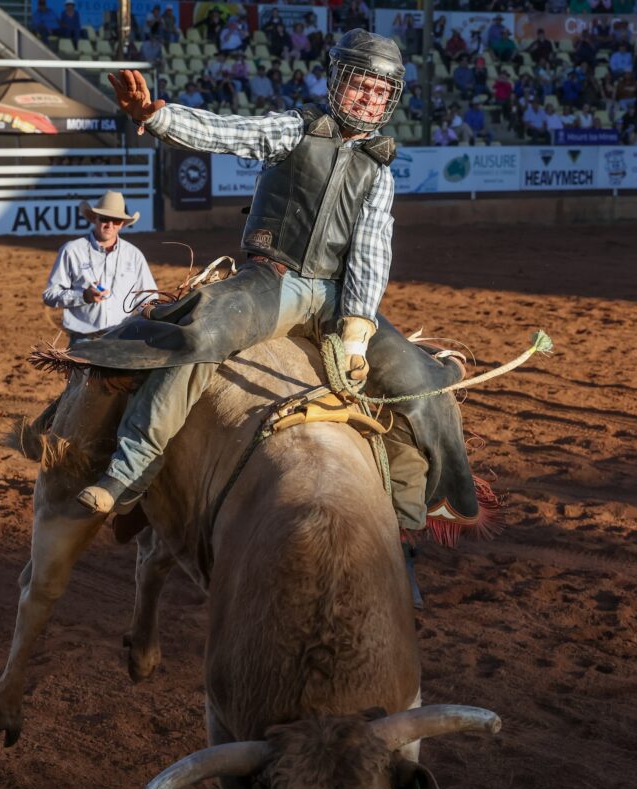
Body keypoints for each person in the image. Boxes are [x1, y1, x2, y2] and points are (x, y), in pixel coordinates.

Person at [74, 30, 411, 515]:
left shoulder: (379, 173)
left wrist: (356, 332)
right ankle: (128, 473)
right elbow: (227, 132)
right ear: (338, 81)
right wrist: (156, 115)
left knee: (422, 384)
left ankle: (405, 527)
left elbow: (372, 252)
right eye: (362, 85)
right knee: (203, 334)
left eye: (381, 92)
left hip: (338, 300)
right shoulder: (296, 130)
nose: (370, 99)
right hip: (275, 282)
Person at [42, 191, 156, 342]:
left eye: (116, 221)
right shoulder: (72, 251)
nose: (109, 225)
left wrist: (151, 311)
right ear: (94, 218)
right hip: (83, 340)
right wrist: (83, 296)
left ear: (122, 224)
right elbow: (50, 295)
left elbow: (147, 297)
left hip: (122, 338)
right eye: (104, 219)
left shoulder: (134, 255)